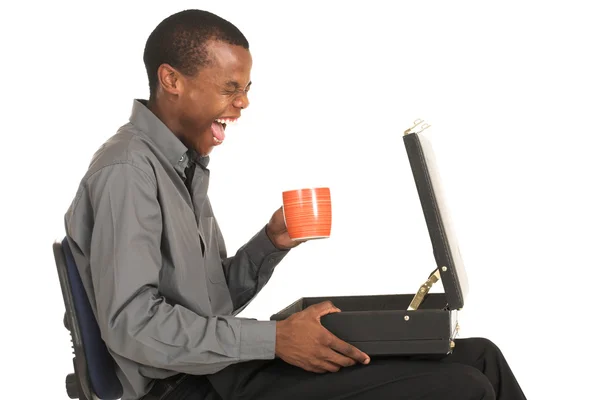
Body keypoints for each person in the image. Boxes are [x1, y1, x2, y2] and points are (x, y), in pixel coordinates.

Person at [64, 9, 527, 400]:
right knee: (461, 386)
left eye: (246, 87)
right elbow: (135, 328)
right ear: (172, 80)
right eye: (230, 88)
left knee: (481, 355)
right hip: (187, 387)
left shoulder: (182, 164)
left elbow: (207, 306)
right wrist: (277, 339)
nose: (243, 102)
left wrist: (270, 244)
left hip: (216, 368)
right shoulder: (127, 172)